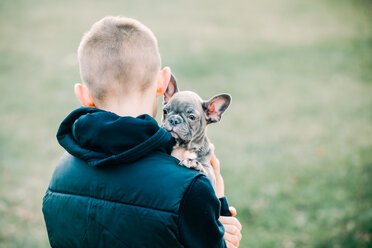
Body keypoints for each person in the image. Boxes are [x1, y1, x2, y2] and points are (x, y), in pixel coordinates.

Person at [42, 16, 242, 248]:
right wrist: (217, 202)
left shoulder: (59, 175)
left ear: (84, 96)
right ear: (163, 82)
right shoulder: (190, 187)